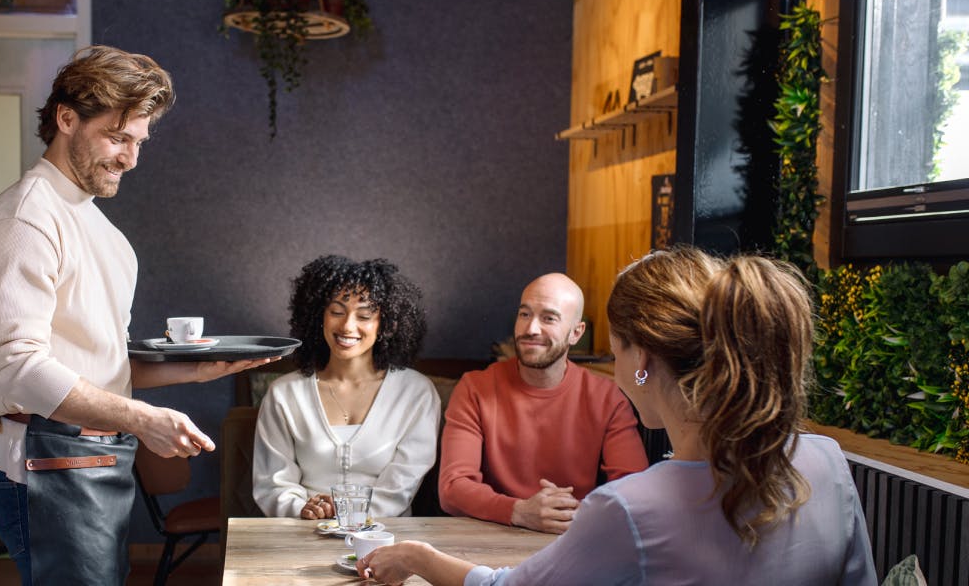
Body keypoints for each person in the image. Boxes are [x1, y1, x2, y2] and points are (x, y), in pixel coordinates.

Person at [357, 248, 876, 585]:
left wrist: (419, 557)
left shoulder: (629, 510)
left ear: (642, 361)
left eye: (617, 349)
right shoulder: (828, 462)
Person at [0, 45, 274, 586]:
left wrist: (194, 369)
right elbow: (13, 367)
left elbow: (93, 359)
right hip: (43, 459)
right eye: (117, 136)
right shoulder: (24, 221)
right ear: (66, 118)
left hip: (93, 457)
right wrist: (141, 418)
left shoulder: (102, 232)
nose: (130, 157)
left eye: (138, 141)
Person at [438, 273, 648, 534]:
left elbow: (634, 488)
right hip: (494, 535)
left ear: (576, 333)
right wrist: (518, 511)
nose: (531, 329)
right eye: (524, 314)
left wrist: (574, 515)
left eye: (548, 318)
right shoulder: (475, 388)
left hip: (574, 535)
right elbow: (452, 488)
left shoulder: (607, 398)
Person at [253, 255, 440, 520]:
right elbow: (272, 484)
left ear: (385, 324)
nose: (347, 326)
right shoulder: (285, 393)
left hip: (387, 540)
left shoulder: (416, 393)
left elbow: (401, 487)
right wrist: (303, 510)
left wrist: (346, 515)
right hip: (302, 534)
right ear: (320, 316)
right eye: (337, 312)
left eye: (364, 315)